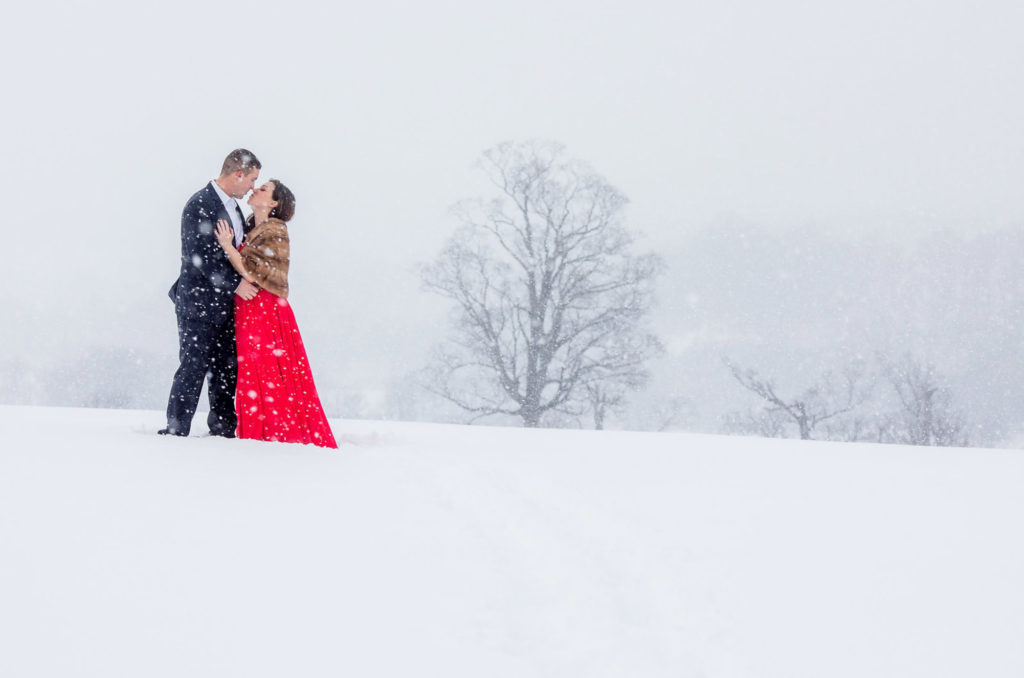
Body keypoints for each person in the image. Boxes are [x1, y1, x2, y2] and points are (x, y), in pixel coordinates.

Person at [214, 179, 338, 449]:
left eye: (264, 189)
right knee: (254, 370)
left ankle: (276, 432)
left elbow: (250, 272)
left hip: (265, 309)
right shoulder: (251, 228)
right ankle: (261, 430)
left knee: (268, 371)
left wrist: (227, 245)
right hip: (249, 308)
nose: (255, 189)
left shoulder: (275, 231)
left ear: (273, 203)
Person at [160, 149, 261, 437]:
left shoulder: (234, 207)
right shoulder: (199, 204)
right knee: (193, 366)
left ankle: (223, 430)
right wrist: (235, 285)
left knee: (227, 371)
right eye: (252, 179)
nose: (253, 185)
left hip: (227, 307)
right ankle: (175, 430)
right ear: (238, 173)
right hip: (198, 304)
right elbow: (198, 257)